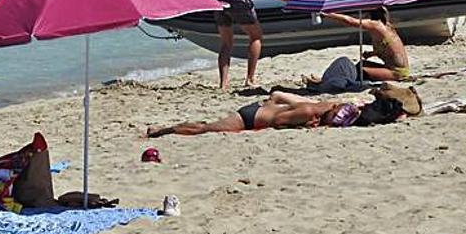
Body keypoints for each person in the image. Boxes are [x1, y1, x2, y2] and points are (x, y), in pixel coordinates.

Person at [145, 85, 421, 137]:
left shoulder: (324, 107)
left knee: (209, 125)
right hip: (252, 117)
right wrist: (302, 125)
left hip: (261, 111)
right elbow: (277, 121)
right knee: (206, 130)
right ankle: (164, 130)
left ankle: (168, 128)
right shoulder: (311, 113)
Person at [318, 7, 412, 82]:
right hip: (396, 68)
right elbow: (390, 50)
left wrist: (328, 14)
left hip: (397, 73)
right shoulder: (387, 26)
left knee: (360, 70)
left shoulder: (376, 25)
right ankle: (327, 79)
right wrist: (372, 53)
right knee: (361, 64)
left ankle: (324, 82)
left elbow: (351, 21)